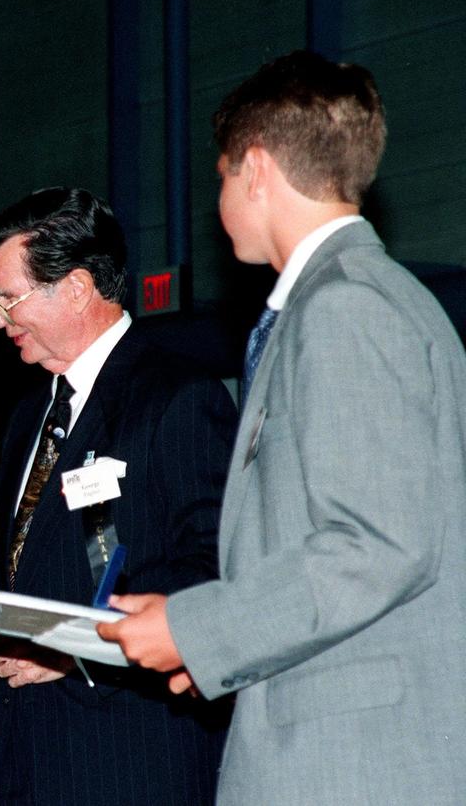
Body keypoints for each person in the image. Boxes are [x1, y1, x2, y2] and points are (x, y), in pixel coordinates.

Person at [97, 50, 466, 803]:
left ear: (256, 169)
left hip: (354, 764)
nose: (220, 199)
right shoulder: (359, 302)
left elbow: (377, 546)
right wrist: (218, 652)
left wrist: (197, 629)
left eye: (222, 176)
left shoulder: (346, 309)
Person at [0, 188, 237, 804]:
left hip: (133, 767)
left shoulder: (178, 398)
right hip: (28, 764)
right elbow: (19, 596)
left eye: (7, 297)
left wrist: (79, 645)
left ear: (74, 289)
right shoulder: (31, 417)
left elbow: (213, 577)